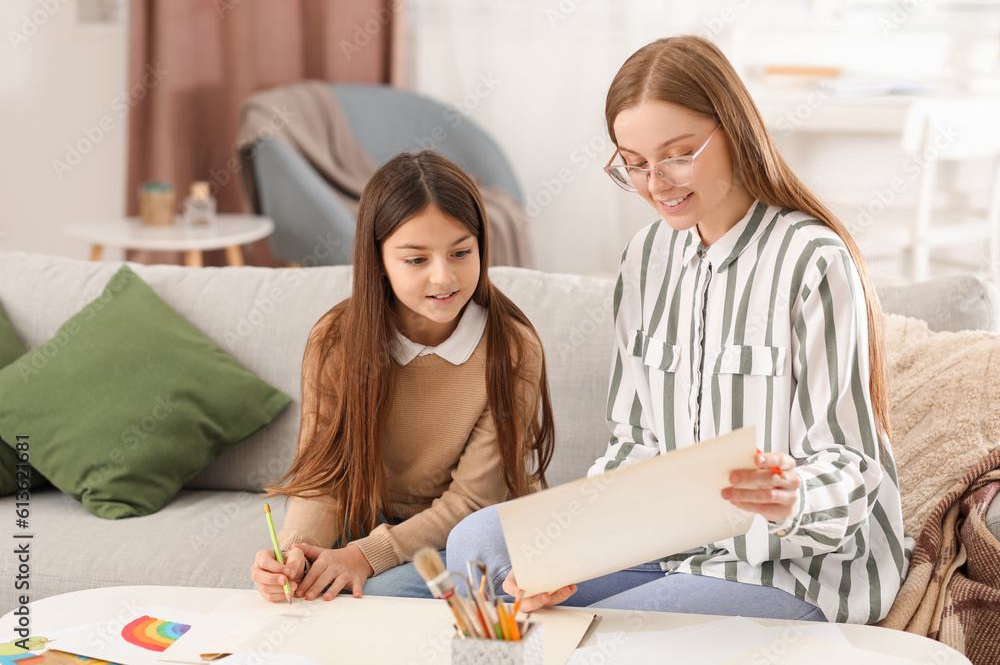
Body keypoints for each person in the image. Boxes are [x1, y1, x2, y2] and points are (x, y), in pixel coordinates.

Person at [446, 35, 910, 624]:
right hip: (666, 547)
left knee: (626, 633)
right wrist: (572, 552)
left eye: (679, 154)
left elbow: (850, 459)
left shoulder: (812, 259)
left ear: (736, 131)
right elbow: (633, 439)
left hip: (792, 566)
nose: (656, 183)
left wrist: (792, 497)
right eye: (635, 164)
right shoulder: (645, 259)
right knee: (477, 550)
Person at [251, 150, 555, 603]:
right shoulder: (336, 341)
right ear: (378, 260)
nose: (443, 276)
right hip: (369, 525)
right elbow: (324, 478)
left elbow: (473, 502)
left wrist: (365, 556)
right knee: (310, 593)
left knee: (375, 598)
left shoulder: (511, 350)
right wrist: (295, 554)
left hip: (474, 535)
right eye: (416, 260)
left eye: (461, 252)